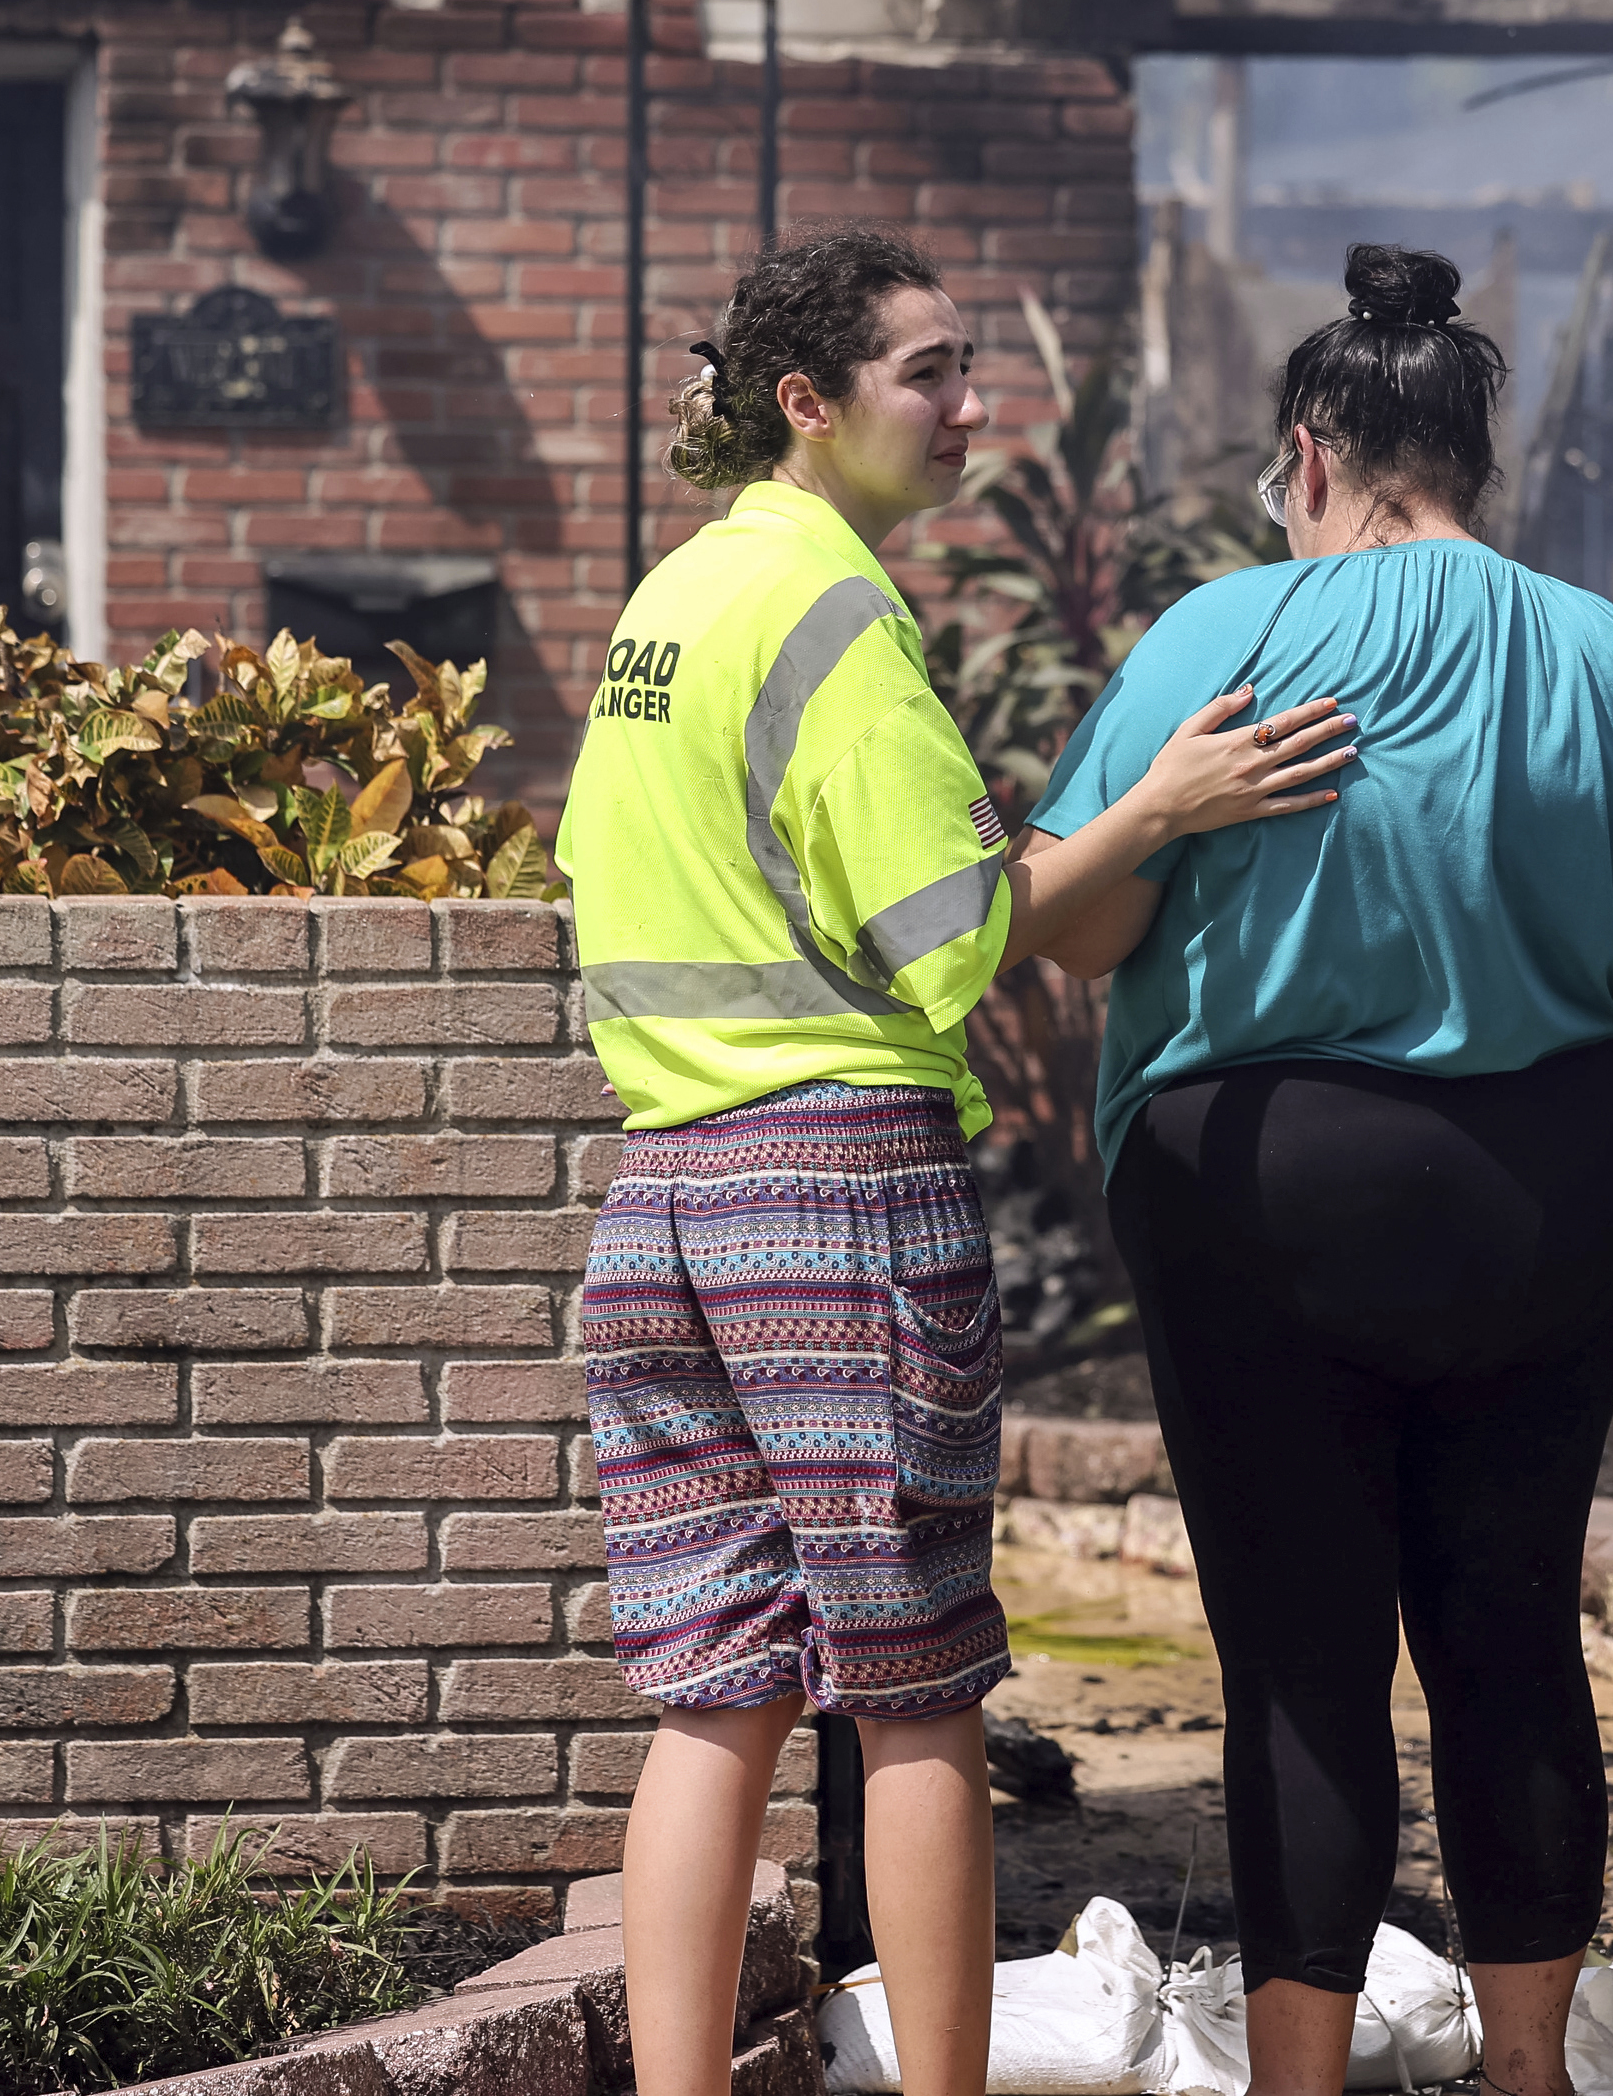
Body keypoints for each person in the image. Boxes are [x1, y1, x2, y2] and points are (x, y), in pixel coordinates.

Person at [554, 226, 1356, 2096]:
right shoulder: (834, 617)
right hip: (831, 1195)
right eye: (928, 373)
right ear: (806, 405)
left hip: (663, 1194)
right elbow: (965, 940)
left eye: (969, 365)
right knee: (916, 1698)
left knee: (715, 1694)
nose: (972, 407)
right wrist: (1160, 806)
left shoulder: (667, 606)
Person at [1022, 243, 1613, 2096]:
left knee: (1302, 1661)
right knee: (1512, 1629)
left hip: (1267, 1188)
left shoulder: (1220, 637)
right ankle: (1527, 2073)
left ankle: (1298, 2083)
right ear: (1474, 455)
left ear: (1312, 447)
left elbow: (1076, 937)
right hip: (1551, 1178)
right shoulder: (1601, 645)